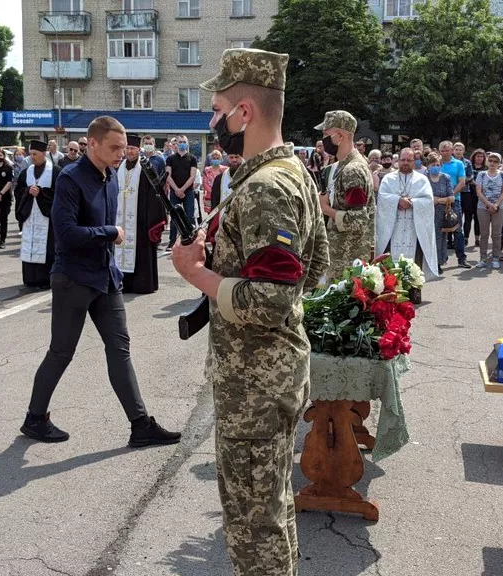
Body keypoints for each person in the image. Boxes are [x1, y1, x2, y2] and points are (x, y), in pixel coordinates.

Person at [172, 47, 329, 576]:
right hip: (268, 375)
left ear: (244, 113)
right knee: (272, 507)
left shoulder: (265, 187)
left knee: (251, 520)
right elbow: (317, 265)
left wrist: (197, 275)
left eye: (217, 109)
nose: (213, 121)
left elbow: (271, 300)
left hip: (255, 385)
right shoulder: (291, 170)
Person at [20, 116, 182, 449]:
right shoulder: (70, 179)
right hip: (73, 279)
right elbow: (65, 234)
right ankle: (35, 418)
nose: (122, 153)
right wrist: (109, 233)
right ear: (92, 143)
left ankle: (140, 425)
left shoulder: (110, 177)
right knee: (61, 352)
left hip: (105, 278)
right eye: (114, 147)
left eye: (124, 147)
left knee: (120, 349)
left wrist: (112, 261)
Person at [317, 110, 374, 277]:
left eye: (326, 134)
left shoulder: (352, 171)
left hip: (347, 260)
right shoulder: (345, 166)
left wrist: (326, 209)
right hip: (345, 256)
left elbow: (358, 220)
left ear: (340, 136)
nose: (323, 140)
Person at [115, 134, 167, 294]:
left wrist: (152, 221)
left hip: (141, 220)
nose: (130, 151)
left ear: (139, 150)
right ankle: (122, 282)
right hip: (120, 219)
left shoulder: (146, 168)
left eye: (133, 149)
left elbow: (155, 195)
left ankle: (141, 284)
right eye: (128, 148)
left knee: (141, 252)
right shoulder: (118, 168)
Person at [375, 147, 438, 278]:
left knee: (415, 265)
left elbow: (428, 201)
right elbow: (382, 198)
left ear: (414, 161)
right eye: (403, 160)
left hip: (414, 230)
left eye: (409, 160)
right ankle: (391, 293)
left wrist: (412, 202)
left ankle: (414, 293)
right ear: (397, 161)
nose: (405, 163)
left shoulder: (422, 180)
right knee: (390, 266)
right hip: (394, 229)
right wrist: (397, 200)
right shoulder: (388, 179)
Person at [14, 140, 57, 288]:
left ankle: (46, 279)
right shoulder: (26, 172)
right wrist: (27, 191)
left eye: (35, 154)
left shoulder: (56, 171)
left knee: (48, 247)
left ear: (44, 153)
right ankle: (31, 278)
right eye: (31, 154)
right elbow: (18, 192)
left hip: (47, 218)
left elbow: (59, 195)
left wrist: (41, 193)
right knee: (29, 245)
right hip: (29, 216)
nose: (32, 157)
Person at [474, 152, 503, 270]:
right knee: (484, 234)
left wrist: (496, 204)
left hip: (499, 208)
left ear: (499, 163)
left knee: (496, 234)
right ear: (487, 162)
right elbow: (478, 192)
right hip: (482, 207)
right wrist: (489, 204)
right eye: (490, 161)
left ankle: (495, 258)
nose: (493, 163)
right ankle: (483, 258)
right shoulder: (481, 174)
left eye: (495, 161)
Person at [165, 135, 199, 251]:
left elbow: (192, 176)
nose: (182, 143)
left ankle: (192, 240)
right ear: (176, 143)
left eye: (184, 142)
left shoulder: (192, 158)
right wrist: (176, 189)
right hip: (174, 191)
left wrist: (183, 189)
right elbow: (167, 175)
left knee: (189, 217)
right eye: (180, 142)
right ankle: (172, 242)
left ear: (187, 144)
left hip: (188, 192)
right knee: (174, 217)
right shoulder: (170, 159)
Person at [437, 141, 469, 267]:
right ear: (440, 152)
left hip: (454, 201)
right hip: (438, 202)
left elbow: (462, 182)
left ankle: (461, 259)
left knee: (457, 230)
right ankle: (441, 259)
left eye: (447, 150)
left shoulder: (459, 164)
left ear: (452, 151)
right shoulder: (436, 163)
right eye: (442, 151)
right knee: (440, 231)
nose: (445, 153)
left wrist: (451, 195)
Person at [426, 153, 454, 269]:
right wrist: (431, 201)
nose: (435, 167)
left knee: (441, 238)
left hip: (442, 213)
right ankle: (427, 262)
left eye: (438, 164)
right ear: (428, 166)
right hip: (427, 213)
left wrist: (439, 200)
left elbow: (451, 197)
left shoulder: (445, 178)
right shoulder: (424, 178)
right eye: (433, 164)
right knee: (428, 238)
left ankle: (439, 262)